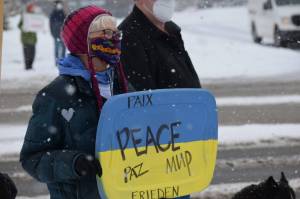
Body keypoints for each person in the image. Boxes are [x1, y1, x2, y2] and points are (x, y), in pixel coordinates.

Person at [20, 5, 127, 199]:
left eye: (116, 32)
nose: (114, 38)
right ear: (82, 41)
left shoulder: (124, 87)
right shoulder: (55, 96)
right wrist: (74, 163)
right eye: (105, 32)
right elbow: (32, 159)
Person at [119, 0, 201, 91]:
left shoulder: (172, 31)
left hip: (190, 103)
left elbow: (189, 79)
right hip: (169, 104)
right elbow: (144, 97)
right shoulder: (128, 36)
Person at [18, 2, 38, 70]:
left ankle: (31, 65)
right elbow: (19, 25)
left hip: (33, 39)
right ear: (28, 8)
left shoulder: (35, 16)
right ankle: (27, 66)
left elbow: (38, 25)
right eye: (31, 7)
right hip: (26, 39)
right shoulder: (24, 16)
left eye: (33, 7)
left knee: (33, 53)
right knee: (26, 54)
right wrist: (23, 27)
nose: (32, 8)